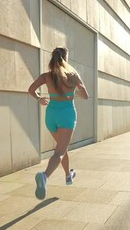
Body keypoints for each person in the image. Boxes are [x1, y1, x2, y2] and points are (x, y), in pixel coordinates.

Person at [28, 46, 88, 200]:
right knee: (59, 152)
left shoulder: (46, 76)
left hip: (51, 116)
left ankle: (68, 175)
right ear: (65, 59)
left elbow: (31, 89)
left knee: (62, 148)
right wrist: (74, 91)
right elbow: (85, 95)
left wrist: (40, 99)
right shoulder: (73, 75)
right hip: (66, 115)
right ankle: (44, 176)